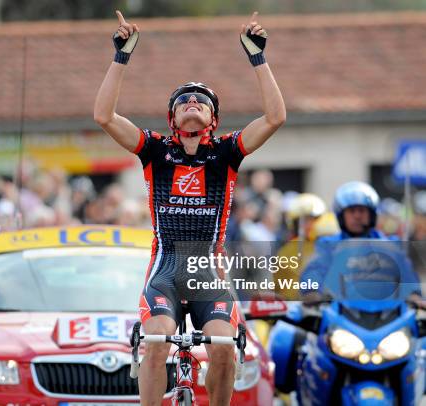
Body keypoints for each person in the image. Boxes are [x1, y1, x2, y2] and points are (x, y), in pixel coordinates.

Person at [94, 10, 285, 406]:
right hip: (165, 269)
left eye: (201, 101)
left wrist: (258, 60)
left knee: (222, 347)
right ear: (172, 118)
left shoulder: (226, 154)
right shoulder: (155, 150)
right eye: (184, 101)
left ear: (213, 119)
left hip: (207, 272)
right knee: (156, 340)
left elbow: (275, 117)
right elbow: (104, 116)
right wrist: (120, 58)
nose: (192, 102)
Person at [300, 181, 422, 300]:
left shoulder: (391, 244)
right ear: (341, 216)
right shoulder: (328, 245)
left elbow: (407, 275)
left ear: (372, 215)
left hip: (387, 312)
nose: (357, 216)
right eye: (352, 211)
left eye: (362, 211)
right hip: (342, 311)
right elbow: (315, 270)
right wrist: (312, 292)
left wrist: (413, 294)